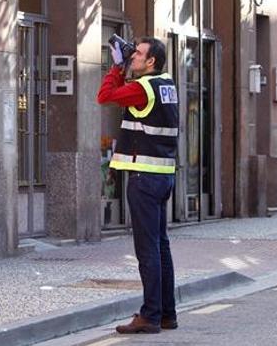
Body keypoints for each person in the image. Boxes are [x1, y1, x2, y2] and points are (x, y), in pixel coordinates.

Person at [97, 37, 178, 334]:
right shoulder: (166, 84)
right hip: (163, 175)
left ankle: (150, 315)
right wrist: (126, 64)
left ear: (151, 62)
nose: (133, 58)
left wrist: (116, 67)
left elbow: (104, 96)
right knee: (161, 247)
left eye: (137, 55)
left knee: (147, 250)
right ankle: (167, 313)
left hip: (144, 177)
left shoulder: (142, 88)